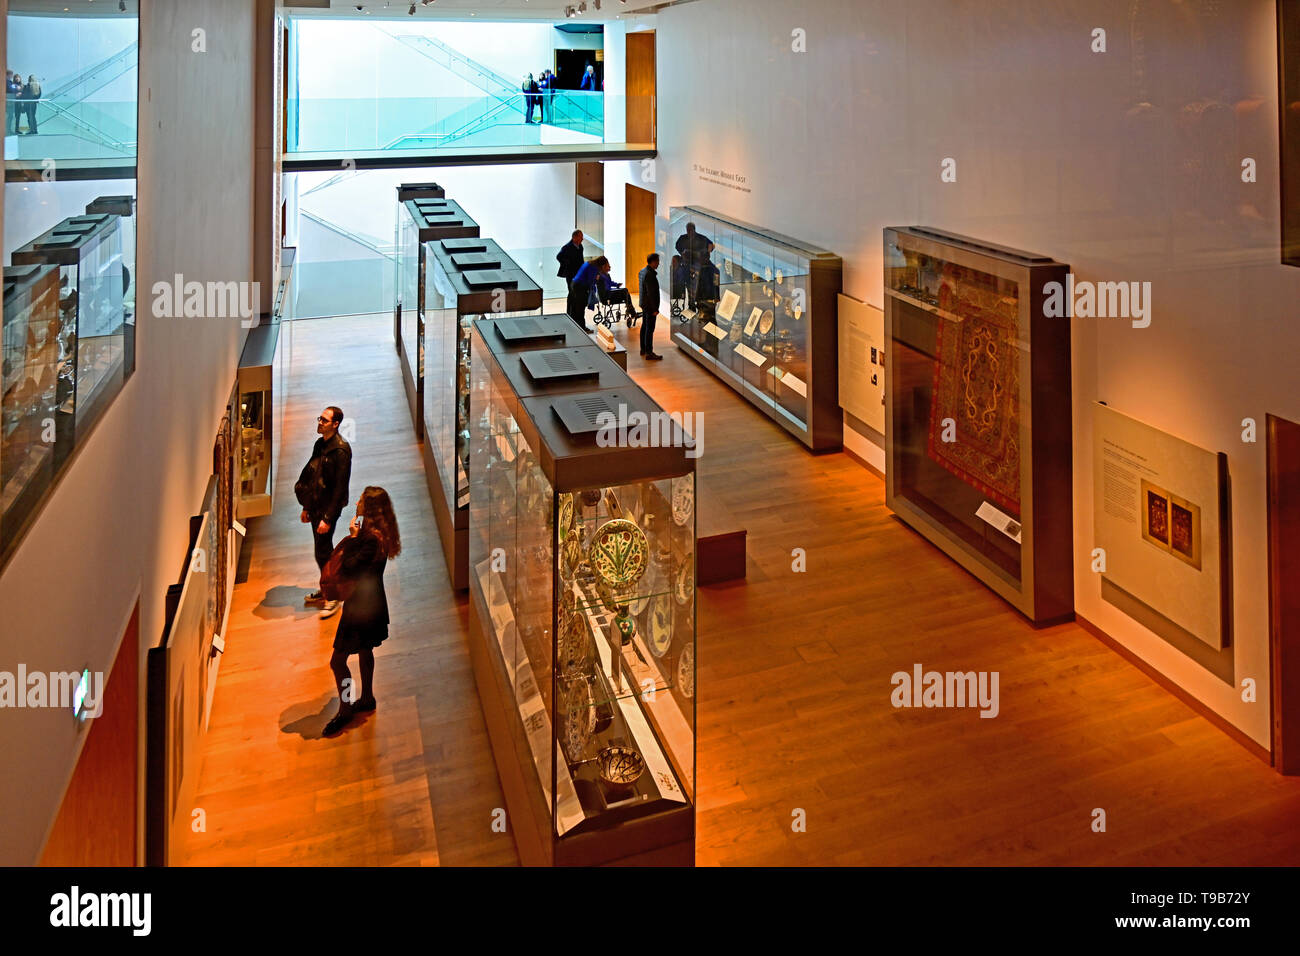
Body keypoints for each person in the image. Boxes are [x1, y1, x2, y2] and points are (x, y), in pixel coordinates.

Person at [322, 486, 401, 737]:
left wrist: (353, 538)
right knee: (366, 651)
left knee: (338, 661)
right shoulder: (381, 535)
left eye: (361, 500)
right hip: (373, 603)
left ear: (369, 508)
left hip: (361, 608)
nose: (356, 502)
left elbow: (350, 567)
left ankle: (346, 708)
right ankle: (366, 697)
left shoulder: (369, 539)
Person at [296, 406, 353, 619]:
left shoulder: (341, 450)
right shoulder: (320, 444)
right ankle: (327, 587)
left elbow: (340, 487)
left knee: (323, 551)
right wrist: (307, 507)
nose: (320, 422)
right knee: (321, 550)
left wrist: (327, 518)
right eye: (320, 418)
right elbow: (313, 478)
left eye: (325, 420)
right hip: (317, 505)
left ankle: (334, 595)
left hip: (328, 508)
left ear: (335, 424)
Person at [675, 222, 712, 307]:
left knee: (698, 284)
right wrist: (682, 253)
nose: (688, 232)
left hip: (697, 265)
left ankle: (699, 303)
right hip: (687, 265)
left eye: (690, 230)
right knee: (688, 284)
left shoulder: (702, 238)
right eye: (687, 230)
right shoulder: (682, 238)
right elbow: (677, 246)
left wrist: (706, 255)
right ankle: (691, 303)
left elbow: (710, 245)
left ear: (694, 230)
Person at [638, 253, 663, 360]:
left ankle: (643, 349)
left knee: (644, 326)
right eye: (657, 261)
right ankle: (649, 352)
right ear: (652, 262)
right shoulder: (650, 274)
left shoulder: (643, 271)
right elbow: (651, 294)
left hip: (644, 304)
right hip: (649, 306)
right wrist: (655, 309)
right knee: (649, 329)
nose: (658, 263)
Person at [7, 71, 23, 135]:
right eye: (16, 77)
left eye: (18, 77)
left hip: (19, 103)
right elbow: (11, 90)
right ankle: (11, 130)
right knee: (12, 117)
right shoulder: (12, 84)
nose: (17, 79)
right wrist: (16, 93)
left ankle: (16, 130)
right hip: (13, 103)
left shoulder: (22, 85)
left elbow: (24, 94)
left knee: (17, 117)